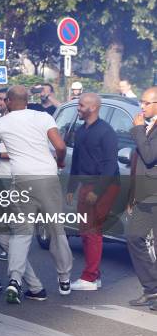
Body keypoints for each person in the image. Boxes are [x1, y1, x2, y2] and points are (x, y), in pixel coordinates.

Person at [0, 86, 73, 304]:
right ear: (27, 100)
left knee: (21, 232)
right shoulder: (43, 117)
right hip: (47, 178)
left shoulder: (1, 122)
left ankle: (15, 279)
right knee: (56, 229)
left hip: (22, 180)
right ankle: (64, 277)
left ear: (11, 101)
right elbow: (60, 146)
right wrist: (59, 161)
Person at [66, 93, 120, 291]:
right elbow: (77, 161)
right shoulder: (81, 130)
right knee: (85, 231)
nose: (78, 108)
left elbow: (110, 165)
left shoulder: (107, 132)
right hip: (86, 185)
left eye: (81, 105)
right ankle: (93, 276)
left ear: (93, 107)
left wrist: (97, 191)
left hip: (104, 185)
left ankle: (89, 278)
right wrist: (71, 188)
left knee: (92, 230)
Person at [126, 86, 157, 310]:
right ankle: (152, 288)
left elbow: (149, 157)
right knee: (134, 237)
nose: (142, 107)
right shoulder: (148, 126)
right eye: (142, 102)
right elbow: (137, 163)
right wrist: (132, 195)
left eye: (146, 103)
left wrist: (137, 130)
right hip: (144, 196)